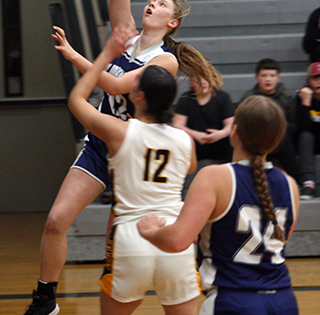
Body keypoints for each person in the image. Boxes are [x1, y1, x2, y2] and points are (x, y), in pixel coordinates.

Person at [24, 0, 220, 314]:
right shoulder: (126, 35)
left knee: (122, 245)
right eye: (151, 0)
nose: (151, 4)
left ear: (173, 21)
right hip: (103, 143)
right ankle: (44, 299)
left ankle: (175, 284)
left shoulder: (165, 60)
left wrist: (80, 57)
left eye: (160, 4)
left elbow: (113, 84)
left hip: (134, 154)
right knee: (55, 220)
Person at [68, 23, 200, 315]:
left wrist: (105, 57)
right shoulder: (184, 141)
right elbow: (189, 167)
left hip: (132, 237)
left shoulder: (120, 132)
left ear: (138, 96)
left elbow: (76, 100)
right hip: (174, 236)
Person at [138, 95, 300, 315]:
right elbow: (276, 241)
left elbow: (176, 241)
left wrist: (151, 232)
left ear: (234, 134)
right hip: (284, 302)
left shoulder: (214, 176)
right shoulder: (290, 184)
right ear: (276, 141)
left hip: (232, 301)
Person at [173, 75, 234, 199]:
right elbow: (177, 125)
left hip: (220, 154)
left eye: (206, 79)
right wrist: (195, 134)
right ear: (191, 82)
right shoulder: (186, 99)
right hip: (194, 156)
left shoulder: (222, 97)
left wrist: (219, 134)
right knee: (190, 190)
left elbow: (231, 126)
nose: (203, 83)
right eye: (198, 80)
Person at [240, 58, 299, 181]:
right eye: (264, 75)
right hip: (256, 140)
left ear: (278, 78)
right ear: (257, 77)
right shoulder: (248, 98)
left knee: (287, 140)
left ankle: (296, 180)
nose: (268, 79)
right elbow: (242, 123)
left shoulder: (286, 97)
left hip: (279, 140)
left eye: (272, 75)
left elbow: (294, 125)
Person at [296, 62, 320, 199]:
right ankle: (308, 184)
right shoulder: (302, 97)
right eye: (316, 78)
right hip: (311, 141)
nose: (319, 82)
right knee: (305, 136)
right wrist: (305, 103)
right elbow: (302, 128)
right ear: (308, 81)